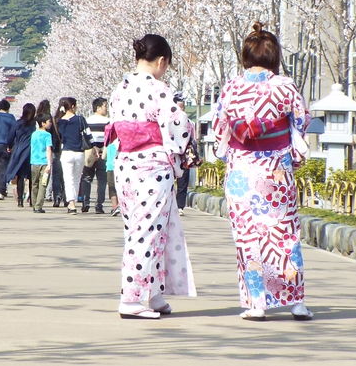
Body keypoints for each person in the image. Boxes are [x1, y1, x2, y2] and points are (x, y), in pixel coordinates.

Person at [213, 22, 312, 321]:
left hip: (242, 170)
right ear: (274, 57)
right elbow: (300, 121)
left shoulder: (231, 87)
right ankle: (296, 301)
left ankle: (256, 304)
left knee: (248, 236)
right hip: (275, 170)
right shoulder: (285, 86)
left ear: (245, 57)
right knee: (284, 234)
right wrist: (293, 156)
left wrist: (227, 146)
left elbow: (221, 127)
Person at [106, 33, 196, 319]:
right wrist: (184, 142)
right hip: (152, 166)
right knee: (147, 233)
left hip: (125, 164)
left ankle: (153, 293)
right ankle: (132, 299)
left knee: (143, 229)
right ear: (161, 61)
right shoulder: (159, 89)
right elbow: (178, 125)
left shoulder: (119, 88)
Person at [55, 97, 87, 214]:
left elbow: (61, 137)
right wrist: (93, 147)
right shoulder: (80, 119)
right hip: (79, 152)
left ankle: (71, 203)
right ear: (73, 106)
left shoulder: (59, 121)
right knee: (77, 179)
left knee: (68, 179)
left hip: (66, 152)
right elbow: (87, 134)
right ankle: (73, 202)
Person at [2, 104, 37, 207]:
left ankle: (20, 200)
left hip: (20, 150)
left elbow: (10, 137)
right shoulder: (34, 124)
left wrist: (9, 146)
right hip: (31, 150)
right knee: (32, 177)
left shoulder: (18, 123)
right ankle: (31, 200)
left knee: (20, 176)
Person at [80, 97, 110, 213]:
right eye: (105, 106)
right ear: (98, 108)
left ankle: (85, 202)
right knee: (102, 180)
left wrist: (92, 147)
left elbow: (85, 136)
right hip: (103, 152)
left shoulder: (87, 121)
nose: (106, 108)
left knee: (87, 178)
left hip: (89, 151)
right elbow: (109, 138)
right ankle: (99, 205)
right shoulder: (108, 121)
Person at [24, 104, 52, 212]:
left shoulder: (34, 134)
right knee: (43, 184)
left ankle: (34, 203)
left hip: (34, 162)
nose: (50, 123)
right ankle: (38, 206)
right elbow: (48, 149)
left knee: (34, 184)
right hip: (44, 163)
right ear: (43, 123)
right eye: (49, 121)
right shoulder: (47, 135)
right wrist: (50, 164)